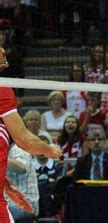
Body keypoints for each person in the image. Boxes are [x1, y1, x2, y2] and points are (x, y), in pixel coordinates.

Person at [1, 48, 62, 222]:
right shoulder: (2, 90)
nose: (4, 51)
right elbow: (26, 141)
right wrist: (50, 150)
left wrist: (5, 185)